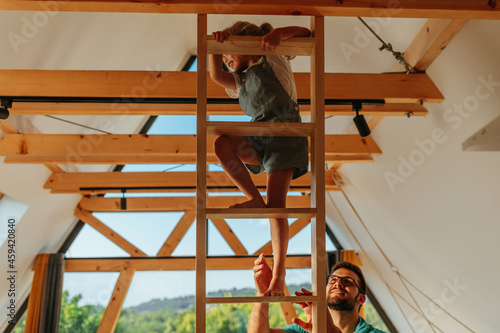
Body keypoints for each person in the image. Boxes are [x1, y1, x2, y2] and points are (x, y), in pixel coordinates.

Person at [209, 22, 311, 297]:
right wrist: (216, 48)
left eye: (230, 55)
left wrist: (278, 33)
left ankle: (279, 275)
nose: (227, 62)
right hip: (259, 139)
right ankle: (254, 197)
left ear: (243, 44)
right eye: (225, 58)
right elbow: (216, 76)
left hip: (287, 136)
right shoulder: (239, 81)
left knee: (277, 205)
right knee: (221, 143)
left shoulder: (272, 53)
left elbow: (306, 33)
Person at [248, 253, 387, 333]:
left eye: (347, 282)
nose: (338, 284)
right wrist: (262, 294)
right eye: (333, 280)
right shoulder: (303, 329)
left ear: (361, 299)